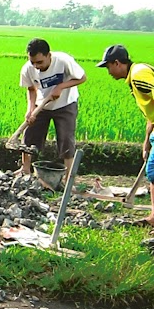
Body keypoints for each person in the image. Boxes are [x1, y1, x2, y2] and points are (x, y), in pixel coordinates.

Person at [97, 44, 154, 227]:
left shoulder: (139, 75)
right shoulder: (135, 76)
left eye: (108, 67)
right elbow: (151, 113)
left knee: (153, 171)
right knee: (152, 172)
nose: (109, 72)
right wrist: (147, 140)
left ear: (117, 63)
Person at [18, 38, 86, 179]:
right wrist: (30, 109)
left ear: (49, 55)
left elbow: (82, 78)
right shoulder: (27, 69)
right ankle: (25, 169)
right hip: (42, 104)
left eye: (40, 62)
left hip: (66, 103)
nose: (36, 66)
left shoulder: (63, 61)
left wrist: (60, 87)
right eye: (33, 62)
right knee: (30, 134)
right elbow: (31, 89)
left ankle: (68, 177)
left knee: (66, 138)